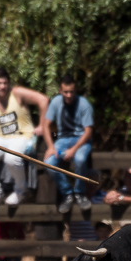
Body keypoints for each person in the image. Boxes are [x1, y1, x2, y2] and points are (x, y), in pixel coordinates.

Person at [0, 68, 49, 211]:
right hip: (3, 138)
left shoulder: (17, 93)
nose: (2, 86)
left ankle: (21, 190)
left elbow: (43, 100)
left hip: (24, 137)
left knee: (11, 158)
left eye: (5, 83)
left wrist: (42, 125)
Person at [43, 74, 94, 213]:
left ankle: (79, 192)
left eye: (72, 91)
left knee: (80, 158)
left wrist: (74, 150)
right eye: (66, 92)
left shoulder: (84, 104)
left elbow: (88, 131)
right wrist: (50, 147)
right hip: (62, 140)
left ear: (75, 90)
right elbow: (46, 125)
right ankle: (67, 193)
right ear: (60, 90)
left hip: (81, 139)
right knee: (48, 163)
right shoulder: (56, 102)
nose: (69, 95)